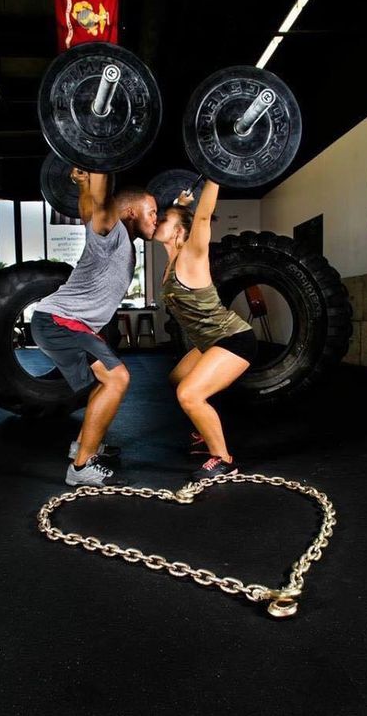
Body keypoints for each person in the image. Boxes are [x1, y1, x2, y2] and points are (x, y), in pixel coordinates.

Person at [31, 169, 157, 486]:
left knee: (107, 382)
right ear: (130, 211)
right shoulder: (112, 232)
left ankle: (83, 445)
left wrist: (82, 183)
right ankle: (81, 466)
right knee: (118, 378)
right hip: (60, 322)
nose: (156, 218)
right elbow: (100, 204)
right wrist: (98, 159)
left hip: (64, 323)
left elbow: (90, 206)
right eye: (152, 212)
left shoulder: (116, 238)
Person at [154, 180, 257, 480]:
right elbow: (187, 217)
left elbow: (202, 217)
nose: (158, 220)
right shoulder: (171, 261)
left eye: (164, 219)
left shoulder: (191, 254)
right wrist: (180, 207)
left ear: (177, 231)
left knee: (189, 395)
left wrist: (214, 175)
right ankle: (204, 430)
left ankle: (223, 460)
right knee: (177, 379)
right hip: (210, 343)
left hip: (234, 339)